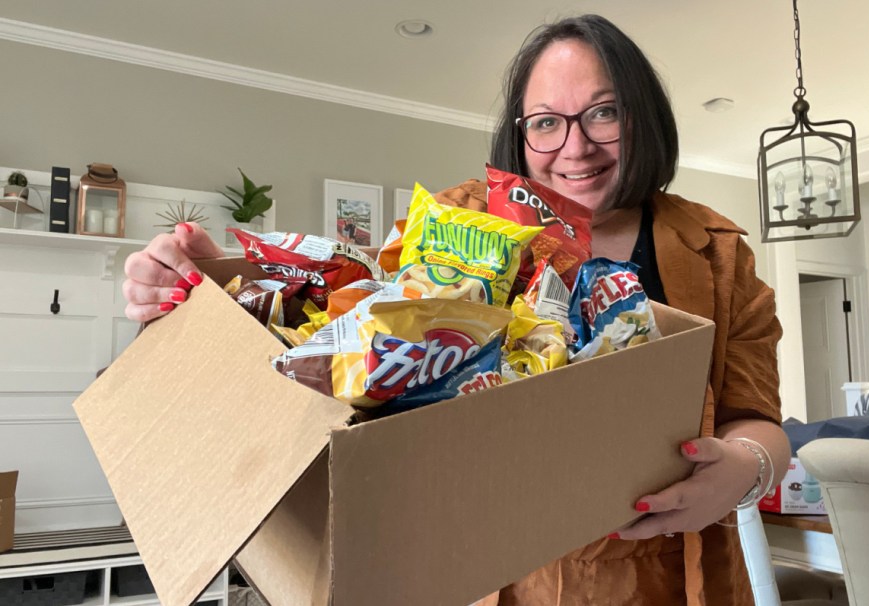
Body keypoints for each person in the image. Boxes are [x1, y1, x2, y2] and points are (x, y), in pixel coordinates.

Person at [123, 14, 790, 605]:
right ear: (521, 132)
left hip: (665, 573)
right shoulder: (464, 219)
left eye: (605, 113)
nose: (576, 146)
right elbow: (352, 337)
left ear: (643, 117)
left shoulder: (719, 254)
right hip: (478, 571)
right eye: (547, 122)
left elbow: (757, 419)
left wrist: (745, 470)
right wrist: (218, 287)